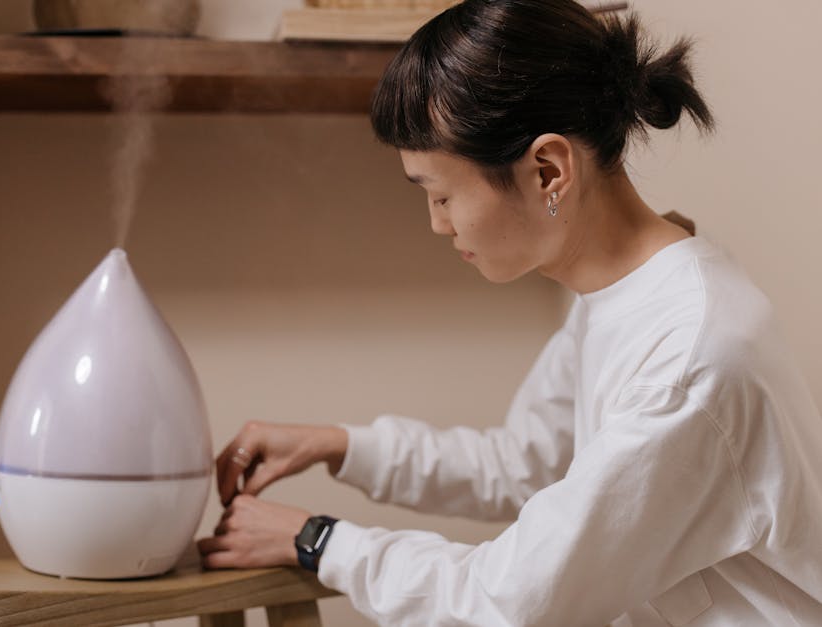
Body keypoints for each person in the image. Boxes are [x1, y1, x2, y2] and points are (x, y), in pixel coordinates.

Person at [197, 0, 822, 624]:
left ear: (548, 170)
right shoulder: (624, 291)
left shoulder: (687, 359)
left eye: (442, 195)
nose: (437, 225)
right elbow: (525, 463)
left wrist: (318, 540)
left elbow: (513, 600)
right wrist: (338, 446)